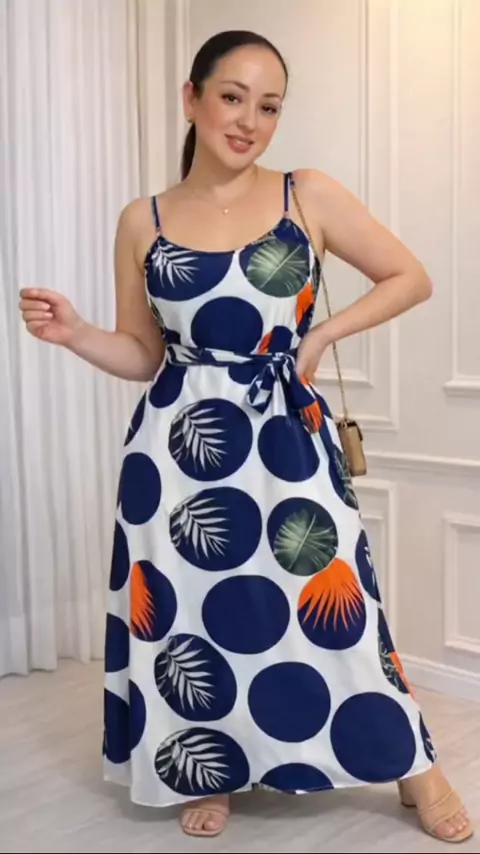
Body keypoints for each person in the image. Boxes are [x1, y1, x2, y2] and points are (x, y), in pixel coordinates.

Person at [19, 29, 473, 844]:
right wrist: (77, 332)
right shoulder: (143, 219)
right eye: (232, 98)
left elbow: (410, 275)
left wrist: (322, 334)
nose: (249, 121)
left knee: (336, 601)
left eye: (268, 107)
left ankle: (413, 764)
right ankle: (213, 766)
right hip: (175, 452)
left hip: (285, 435)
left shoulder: (308, 194)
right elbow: (144, 354)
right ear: (191, 99)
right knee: (193, 615)